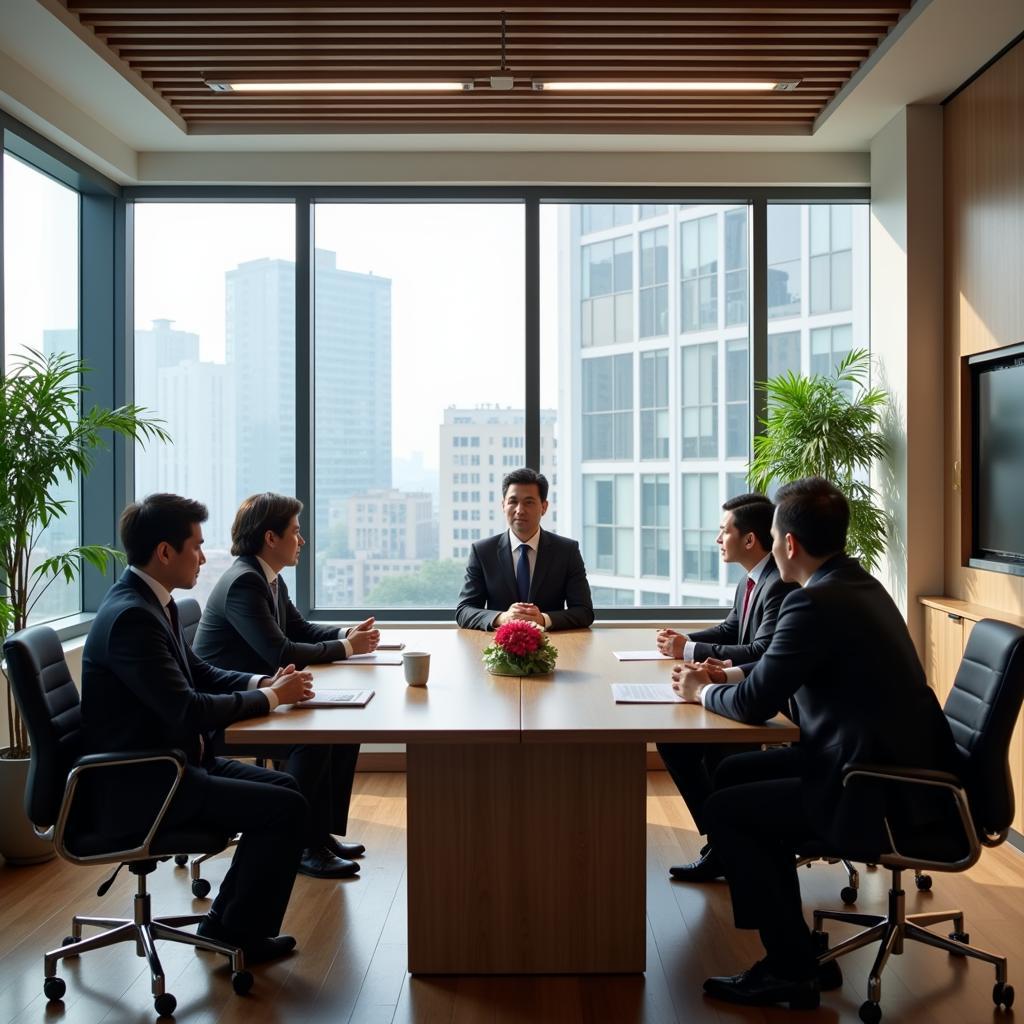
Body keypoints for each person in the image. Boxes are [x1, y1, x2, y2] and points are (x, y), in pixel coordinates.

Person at [670, 477, 959, 1010]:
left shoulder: (813, 604)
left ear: (789, 544)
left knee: (729, 811)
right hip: (890, 766)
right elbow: (777, 667)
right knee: (732, 776)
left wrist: (701, 689)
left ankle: (789, 969)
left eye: (774, 535)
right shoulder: (855, 586)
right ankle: (798, 951)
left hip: (874, 788)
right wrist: (728, 678)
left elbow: (757, 703)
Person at [81, 494, 314, 964]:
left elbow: (200, 671)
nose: (205, 558)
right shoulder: (132, 618)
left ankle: (226, 925)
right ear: (165, 552)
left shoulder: (150, 602)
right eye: (196, 547)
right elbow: (186, 710)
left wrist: (263, 681)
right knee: (284, 809)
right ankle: (238, 934)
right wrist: (271, 698)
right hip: (146, 782)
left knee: (288, 790)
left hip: (172, 764)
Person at [194, 492, 378, 880]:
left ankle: (318, 833)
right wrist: (347, 647)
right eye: (296, 532)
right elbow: (280, 650)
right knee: (312, 738)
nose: (303, 540)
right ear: (270, 538)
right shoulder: (245, 582)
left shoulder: (267, 578)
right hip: (229, 709)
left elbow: (299, 628)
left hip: (260, 696)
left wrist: (349, 633)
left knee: (342, 729)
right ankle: (303, 846)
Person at [654, 493, 797, 882]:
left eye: (724, 531)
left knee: (714, 750)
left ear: (750, 539)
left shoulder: (780, 585)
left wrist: (696, 658)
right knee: (674, 739)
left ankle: (728, 843)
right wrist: (683, 641)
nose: (718, 539)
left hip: (780, 703)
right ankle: (723, 839)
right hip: (749, 683)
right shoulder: (753, 578)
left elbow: (764, 650)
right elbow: (732, 627)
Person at [456, 468, 594, 631]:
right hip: (498, 650)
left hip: (553, 648)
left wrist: (543, 619)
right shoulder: (483, 551)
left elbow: (584, 612)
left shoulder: (567, 551)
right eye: (513, 501)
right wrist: (502, 617)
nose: (520, 510)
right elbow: (464, 611)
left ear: (544, 507)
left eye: (529, 502)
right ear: (503, 505)